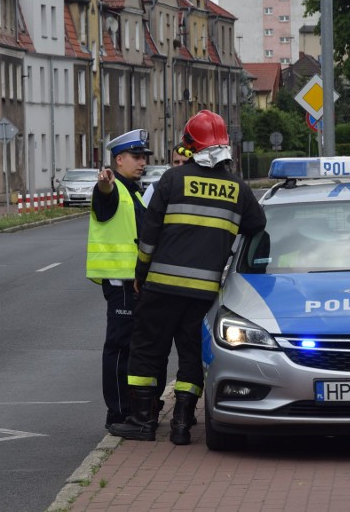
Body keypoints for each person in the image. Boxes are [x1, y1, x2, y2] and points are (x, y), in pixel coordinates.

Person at [108, 110, 266, 445]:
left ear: (191, 145)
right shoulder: (238, 188)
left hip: (162, 286)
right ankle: (181, 424)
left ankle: (142, 421)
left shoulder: (171, 180)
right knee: (193, 355)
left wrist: (141, 273)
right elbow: (257, 226)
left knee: (146, 351)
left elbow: (149, 235)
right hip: (205, 291)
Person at [86, 128, 165, 432]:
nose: (142, 161)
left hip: (134, 284)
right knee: (120, 349)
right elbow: (103, 196)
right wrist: (104, 184)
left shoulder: (133, 190)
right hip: (120, 284)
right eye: (136, 156)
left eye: (144, 156)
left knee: (135, 348)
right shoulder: (114, 188)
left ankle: (135, 406)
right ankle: (118, 411)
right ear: (119, 159)